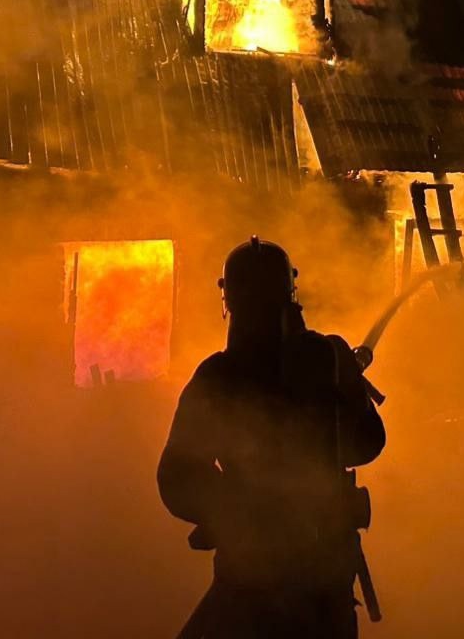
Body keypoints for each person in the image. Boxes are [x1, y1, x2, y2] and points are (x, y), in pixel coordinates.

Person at [158, 237, 386, 639]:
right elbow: (367, 444)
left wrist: (234, 514)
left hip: (252, 581)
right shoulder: (327, 359)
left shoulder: (218, 376)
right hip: (322, 581)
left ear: (228, 298)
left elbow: (177, 478)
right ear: (290, 292)